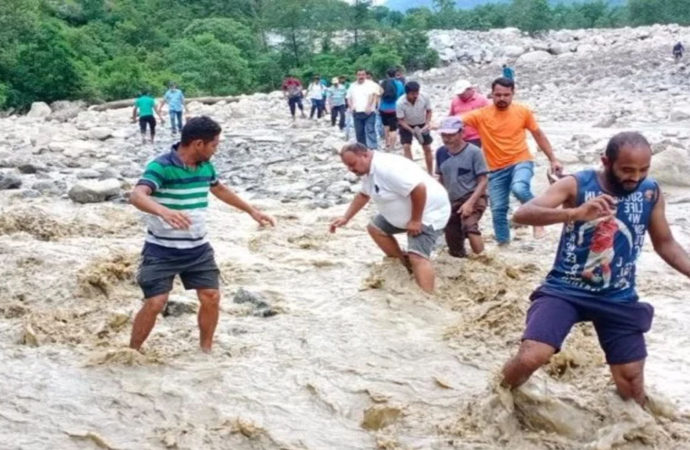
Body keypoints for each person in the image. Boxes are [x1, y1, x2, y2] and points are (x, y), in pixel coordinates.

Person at [501, 131, 690, 406]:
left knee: (632, 382)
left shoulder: (650, 192)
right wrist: (574, 214)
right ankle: (497, 397)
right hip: (564, 290)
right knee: (533, 355)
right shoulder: (576, 184)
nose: (635, 177)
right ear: (606, 161)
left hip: (618, 297)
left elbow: (666, 244)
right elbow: (522, 214)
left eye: (643, 169)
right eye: (626, 170)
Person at [129, 116, 276, 352]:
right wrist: (164, 211)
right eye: (214, 144)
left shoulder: (205, 166)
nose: (216, 149)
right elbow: (137, 195)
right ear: (198, 144)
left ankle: (205, 351)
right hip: (161, 250)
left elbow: (220, 189)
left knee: (211, 296)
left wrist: (252, 211)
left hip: (198, 248)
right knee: (156, 302)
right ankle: (132, 352)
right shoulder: (162, 166)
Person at [329, 143, 450, 293]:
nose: (351, 170)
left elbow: (419, 189)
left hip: (429, 212)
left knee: (417, 256)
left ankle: (427, 299)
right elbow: (363, 195)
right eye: (347, 166)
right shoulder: (368, 170)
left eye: (352, 164)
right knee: (375, 228)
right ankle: (404, 266)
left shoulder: (387, 168)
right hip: (403, 215)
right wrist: (346, 217)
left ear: (365, 155)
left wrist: (416, 220)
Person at [461, 77, 562, 245]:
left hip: (521, 160)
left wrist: (553, 159)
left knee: (519, 188)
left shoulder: (523, 111)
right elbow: (456, 121)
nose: (502, 98)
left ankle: (538, 221)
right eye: (498, 95)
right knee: (498, 210)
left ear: (513, 94)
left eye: (506, 95)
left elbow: (538, 135)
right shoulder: (481, 115)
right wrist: (433, 125)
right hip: (495, 168)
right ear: (491, 95)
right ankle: (504, 245)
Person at [436, 117, 489, 257]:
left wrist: (470, 203)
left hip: (473, 196)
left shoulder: (474, 152)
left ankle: (484, 261)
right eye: (444, 135)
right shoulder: (440, 153)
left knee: (470, 227)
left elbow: (483, 180)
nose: (447, 139)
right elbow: (441, 178)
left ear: (461, 133)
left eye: (451, 135)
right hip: (451, 200)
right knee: (452, 238)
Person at [396, 81, 434, 175]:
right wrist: (411, 130)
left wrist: (427, 123)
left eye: (417, 93)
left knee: (427, 147)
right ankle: (412, 172)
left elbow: (429, 111)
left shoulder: (424, 97)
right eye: (413, 94)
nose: (416, 95)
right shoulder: (400, 103)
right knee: (406, 146)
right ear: (407, 93)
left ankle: (430, 172)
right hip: (406, 124)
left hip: (422, 123)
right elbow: (401, 120)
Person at [448, 79, 489, 148]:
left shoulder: (482, 100)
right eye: (459, 94)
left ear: (470, 89)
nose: (460, 95)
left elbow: (489, 118)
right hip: (459, 137)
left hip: (476, 137)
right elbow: (451, 116)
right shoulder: (455, 100)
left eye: (462, 93)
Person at [346, 69, 379, 149]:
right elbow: (348, 97)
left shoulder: (371, 84)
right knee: (359, 132)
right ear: (356, 76)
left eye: (363, 74)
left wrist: (369, 106)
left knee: (370, 130)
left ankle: (373, 148)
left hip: (369, 112)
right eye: (359, 75)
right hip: (357, 112)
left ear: (365, 75)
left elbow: (372, 95)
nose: (361, 76)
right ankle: (362, 149)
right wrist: (351, 107)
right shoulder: (352, 86)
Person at [379, 68, 405, 151]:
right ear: (395, 74)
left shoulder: (382, 83)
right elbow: (402, 96)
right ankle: (392, 147)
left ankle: (387, 143)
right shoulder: (399, 84)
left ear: (387, 74)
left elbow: (379, 94)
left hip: (383, 108)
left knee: (386, 126)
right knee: (393, 129)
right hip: (394, 109)